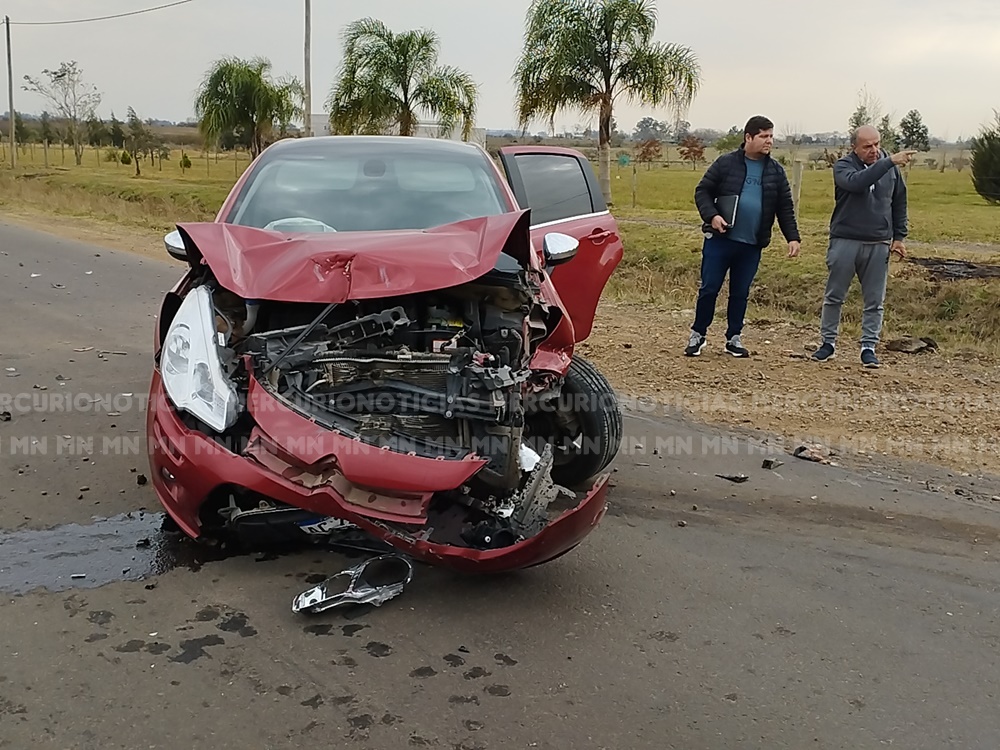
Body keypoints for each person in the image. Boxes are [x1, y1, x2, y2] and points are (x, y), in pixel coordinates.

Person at [686, 115, 801, 358]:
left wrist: (793, 237)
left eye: (771, 136)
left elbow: (785, 208)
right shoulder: (726, 164)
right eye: (763, 136)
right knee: (709, 289)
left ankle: (734, 338)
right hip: (720, 240)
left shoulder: (776, 172)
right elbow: (702, 191)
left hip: (752, 244)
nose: (769, 141)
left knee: (740, 292)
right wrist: (712, 216)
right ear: (748, 137)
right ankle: (698, 335)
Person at [811, 125, 916, 368]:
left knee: (874, 300)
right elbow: (858, 183)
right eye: (867, 146)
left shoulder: (890, 169)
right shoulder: (843, 167)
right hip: (845, 240)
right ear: (854, 147)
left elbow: (899, 200)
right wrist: (888, 162)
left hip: (878, 242)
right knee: (834, 296)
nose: (874, 150)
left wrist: (899, 236)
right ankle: (828, 343)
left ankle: (868, 347)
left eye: (877, 144)